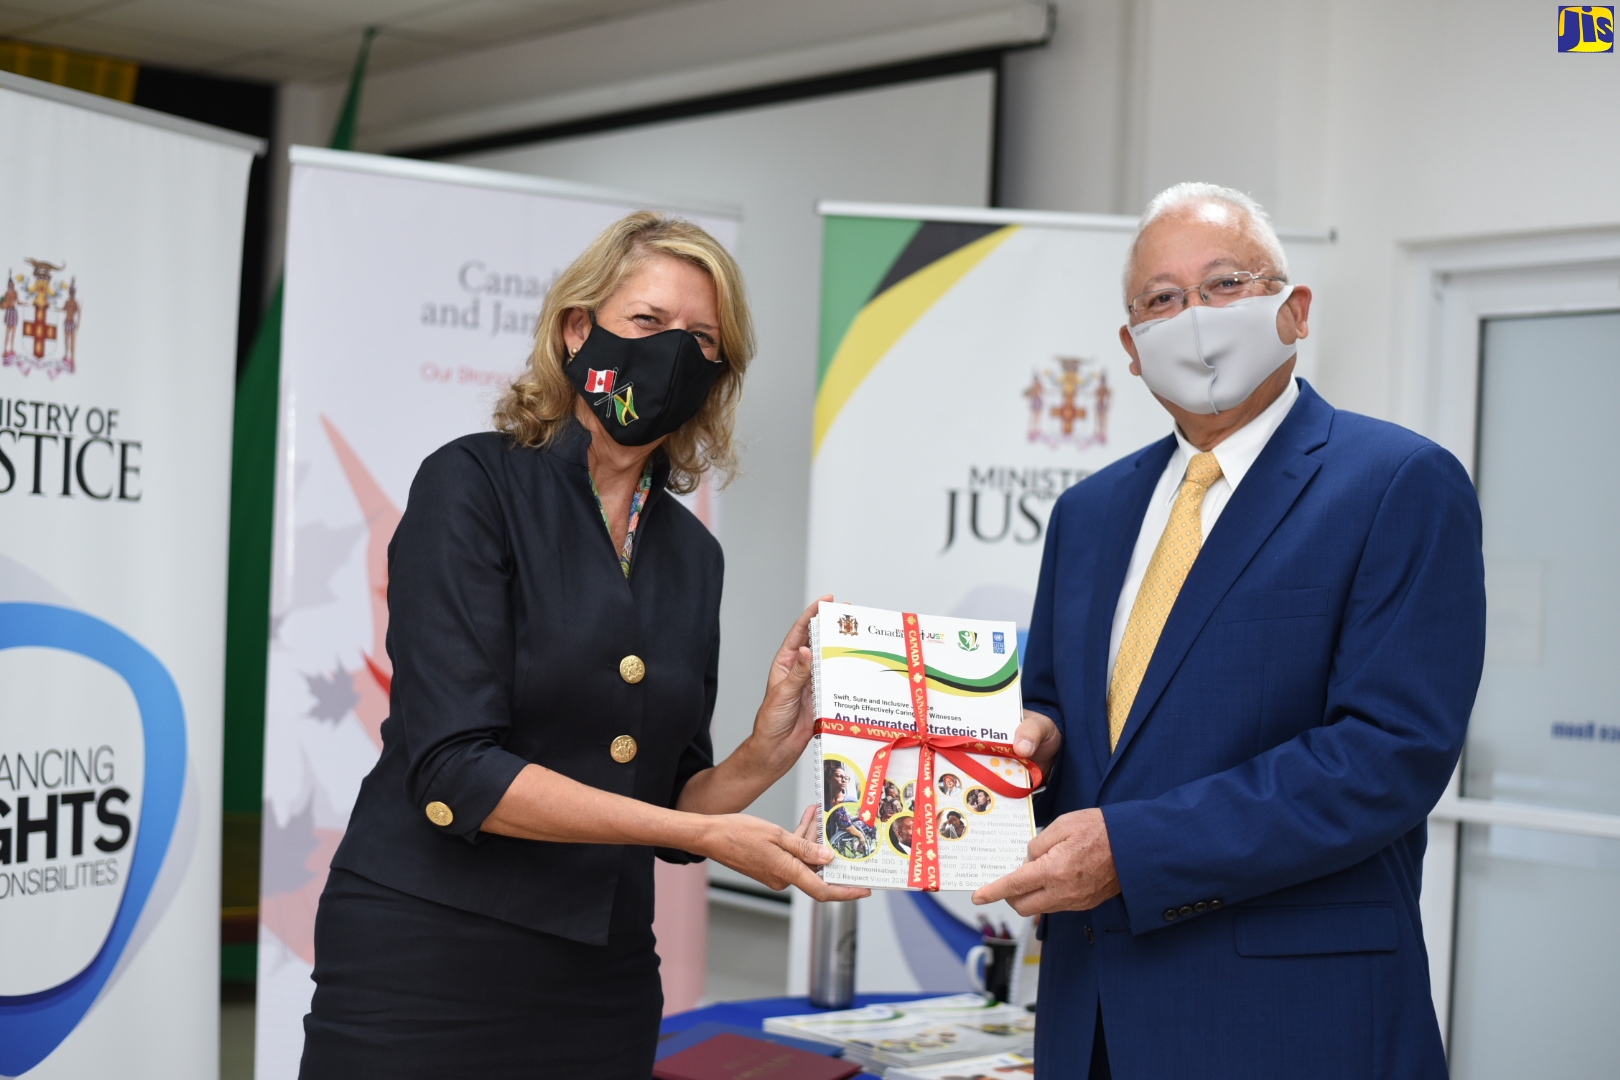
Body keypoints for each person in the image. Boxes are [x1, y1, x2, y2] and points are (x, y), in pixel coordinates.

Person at [300, 213, 868, 1080]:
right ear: (578, 328)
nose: (673, 352)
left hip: (599, 976)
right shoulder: (473, 484)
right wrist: (704, 833)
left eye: (701, 339)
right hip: (426, 961)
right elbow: (457, 767)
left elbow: (676, 797)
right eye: (647, 323)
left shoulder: (690, 553)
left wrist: (766, 749)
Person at [976, 183, 1485, 1080]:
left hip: (1292, 1025)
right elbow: (1061, 708)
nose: (1196, 320)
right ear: (1132, 351)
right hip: (1091, 1020)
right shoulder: (1089, 514)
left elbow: (1386, 757)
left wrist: (1134, 851)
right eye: (1162, 301)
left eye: (1223, 285)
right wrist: (1037, 741)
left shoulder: (1398, 483)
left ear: (1294, 312)